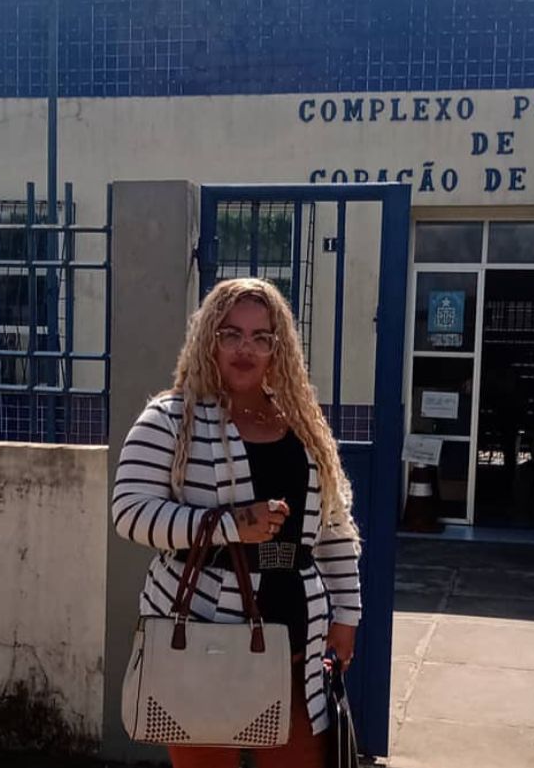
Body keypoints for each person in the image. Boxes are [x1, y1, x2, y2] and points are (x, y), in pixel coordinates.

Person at [112, 277, 362, 768]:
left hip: (296, 642)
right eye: (231, 334)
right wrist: (230, 524)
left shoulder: (303, 425)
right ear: (209, 339)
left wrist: (347, 616)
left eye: (261, 337)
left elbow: (333, 527)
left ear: (277, 347)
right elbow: (130, 512)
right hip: (203, 639)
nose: (245, 348)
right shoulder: (170, 419)